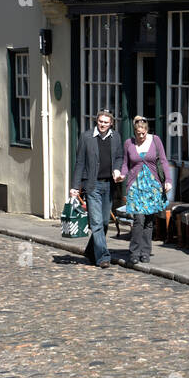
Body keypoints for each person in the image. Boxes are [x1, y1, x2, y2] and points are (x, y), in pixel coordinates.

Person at [70, 110, 124, 271]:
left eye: (106, 122)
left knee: (105, 222)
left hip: (109, 185)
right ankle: (103, 257)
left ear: (111, 124)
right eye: (100, 121)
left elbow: (120, 157)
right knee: (97, 222)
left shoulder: (116, 137)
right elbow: (79, 162)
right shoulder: (86, 137)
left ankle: (90, 251)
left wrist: (116, 169)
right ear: (96, 121)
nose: (102, 124)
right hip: (92, 185)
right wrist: (75, 186)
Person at [118, 116, 173, 270]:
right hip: (135, 186)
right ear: (134, 132)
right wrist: (122, 175)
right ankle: (134, 252)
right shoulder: (129, 143)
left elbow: (163, 161)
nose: (140, 136)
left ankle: (146, 252)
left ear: (147, 131)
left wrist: (167, 180)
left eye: (143, 133)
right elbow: (125, 163)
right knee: (138, 219)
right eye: (138, 133)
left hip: (152, 185)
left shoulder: (155, 140)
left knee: (149, 221)